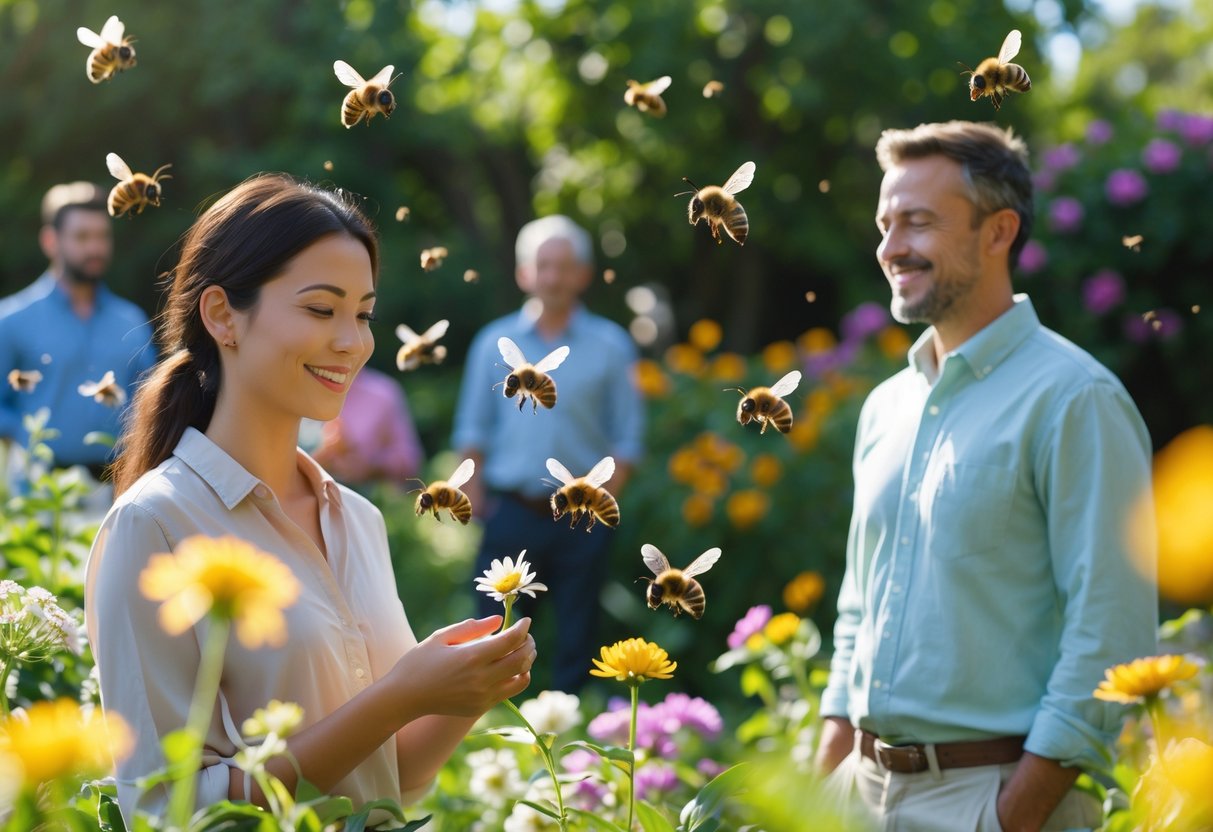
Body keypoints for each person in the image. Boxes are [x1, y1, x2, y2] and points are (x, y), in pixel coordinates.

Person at [84, 175, 535, 822]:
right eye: (322, 310)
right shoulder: (153, 524)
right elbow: (168, 811)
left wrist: (461, 697)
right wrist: (398, 698)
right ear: (221, 316)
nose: (352, 342)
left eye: (363, 314)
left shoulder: (357, 519)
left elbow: (391, 777)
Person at [814, 121, 1157, 831]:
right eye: (884, 224)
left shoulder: (1074, 400)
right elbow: (856, 615)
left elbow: (1111, 630)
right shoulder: (885, 407)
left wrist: (1011, 816)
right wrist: (818, 792)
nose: (889, 248)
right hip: (857, 798)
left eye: (917, 222)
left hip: (991, 802)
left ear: (997, 232)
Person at [452, 215, 644, 693]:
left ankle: (574, 738)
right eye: (543, 266)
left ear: (583, 274)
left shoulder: (612, 347)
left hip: (582, 516)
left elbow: (627, 441)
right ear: (524, 273)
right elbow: (471, 433)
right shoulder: (492, 345)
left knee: (580, 637)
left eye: (564, 266)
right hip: (511, 512)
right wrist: (480, 508)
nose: (553, 277)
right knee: (493, 638)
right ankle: (487, 730)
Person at [0, 182, 157, 481]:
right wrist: (23, 436)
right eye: (82, 237)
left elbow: (150, 403)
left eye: (102, 237)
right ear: (50, 241)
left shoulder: (131, 321)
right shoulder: (11, 319)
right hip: (40, 493)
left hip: (116, 488)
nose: (94, 248)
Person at [308, 365, 425, 487]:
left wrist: (371, 467)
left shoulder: (383, 392)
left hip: (365, 497)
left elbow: (410, 460)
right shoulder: (297, 388)